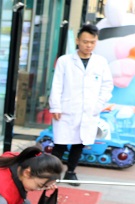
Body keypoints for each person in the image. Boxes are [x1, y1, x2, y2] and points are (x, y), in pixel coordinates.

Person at [48, 23, 113, 185]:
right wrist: (56, 106)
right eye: (85, 41)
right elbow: (57, 85)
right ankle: (52, 174)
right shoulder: (65, 61)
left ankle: (71, 172)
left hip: (89, 110)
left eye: (92, 42)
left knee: (79, 143)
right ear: (77, 40)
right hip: (66, 109)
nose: (88, 45)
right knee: (60, 144)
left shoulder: (101, 62)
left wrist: (97, 105)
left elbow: (107, 86)